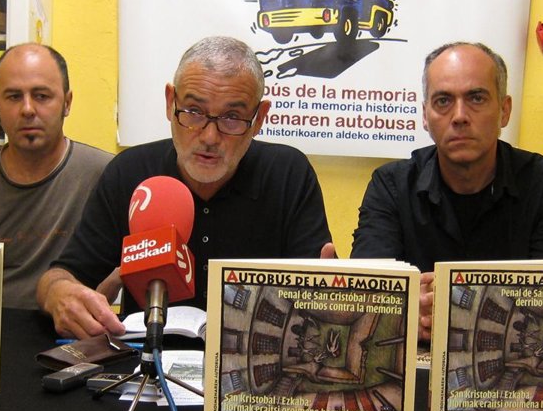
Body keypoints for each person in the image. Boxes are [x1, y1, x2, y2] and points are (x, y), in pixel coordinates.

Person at [38, 35, 332, 337]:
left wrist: (334, 293)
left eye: (232, 117)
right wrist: (60, 293)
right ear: (171, 102)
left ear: (258, 119)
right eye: (193, 112)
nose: (209, 137)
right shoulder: (130, 172)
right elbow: (61, 276)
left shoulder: (288, 175)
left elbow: (318, 295)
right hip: (146, 357)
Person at [351, 41, 543, 339]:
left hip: (516, 360)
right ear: (425, 116)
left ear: (504, 110)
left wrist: (448, 307)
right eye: (443, 101)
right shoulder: (391, 187)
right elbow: (370, 299)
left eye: (476, 98)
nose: (459, 115)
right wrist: (406, 315)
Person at [0, 43, 111, 309]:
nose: (28, 109)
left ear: (67, 103)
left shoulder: (105, 176)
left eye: (41, 96)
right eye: (13, 97)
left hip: (78, 330)